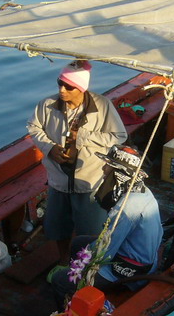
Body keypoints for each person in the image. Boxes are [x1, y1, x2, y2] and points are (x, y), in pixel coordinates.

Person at [27, 60, 127, 265]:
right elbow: (34, 127)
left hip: (89, 182)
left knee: (90, 231)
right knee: (57, 227)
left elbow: (119, 135)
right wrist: (49, 148)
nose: (62, 90)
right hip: (58, 180)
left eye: (68, 86)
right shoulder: (47, 105)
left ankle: (87, 265)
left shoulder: (102, 105)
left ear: (81, 88)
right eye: (59, 83)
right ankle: (64, 262)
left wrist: (85, 137)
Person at [51, 145, 163, 306]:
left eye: (108, 167)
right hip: (141, 257)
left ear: (119, 174)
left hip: (129, 269)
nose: (103, 169)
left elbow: (105, 250)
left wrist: (83, 264)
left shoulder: (126, 208)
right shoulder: (143, 192)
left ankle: (71, 315)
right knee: (78, 243)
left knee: (60, 280)